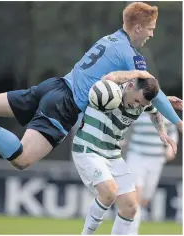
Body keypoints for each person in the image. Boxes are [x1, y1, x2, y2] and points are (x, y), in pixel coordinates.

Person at [0, 2, 182, 170]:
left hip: (54, 86)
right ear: (137, 28)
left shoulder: (111, 39)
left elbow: (145, 94)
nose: (152, 35)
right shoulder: (131, 55)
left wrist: (164, 100)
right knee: (22, 158)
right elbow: (150, 93)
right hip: (64, 105)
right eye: (151, 29)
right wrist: (177, 122)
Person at [71, 77, 177, 235]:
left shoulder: (142, 101)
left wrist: (161, 131)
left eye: (142, 104)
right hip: (89, 148)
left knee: (130, 207)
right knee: (109, 192)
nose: (137, 105)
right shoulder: (111, 90)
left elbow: (154, 113)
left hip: (113, 154)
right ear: (130, 86)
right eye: (136, 100)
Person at [124, 112, 179, 234]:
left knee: (145, 199)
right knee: (135, 194)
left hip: (156, 159)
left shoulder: (166, 114)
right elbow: (125, 128)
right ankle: (132, 231)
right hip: (136, 156)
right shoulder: (137, 110)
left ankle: (132, 217)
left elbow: (173, 133)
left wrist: (170, 149)